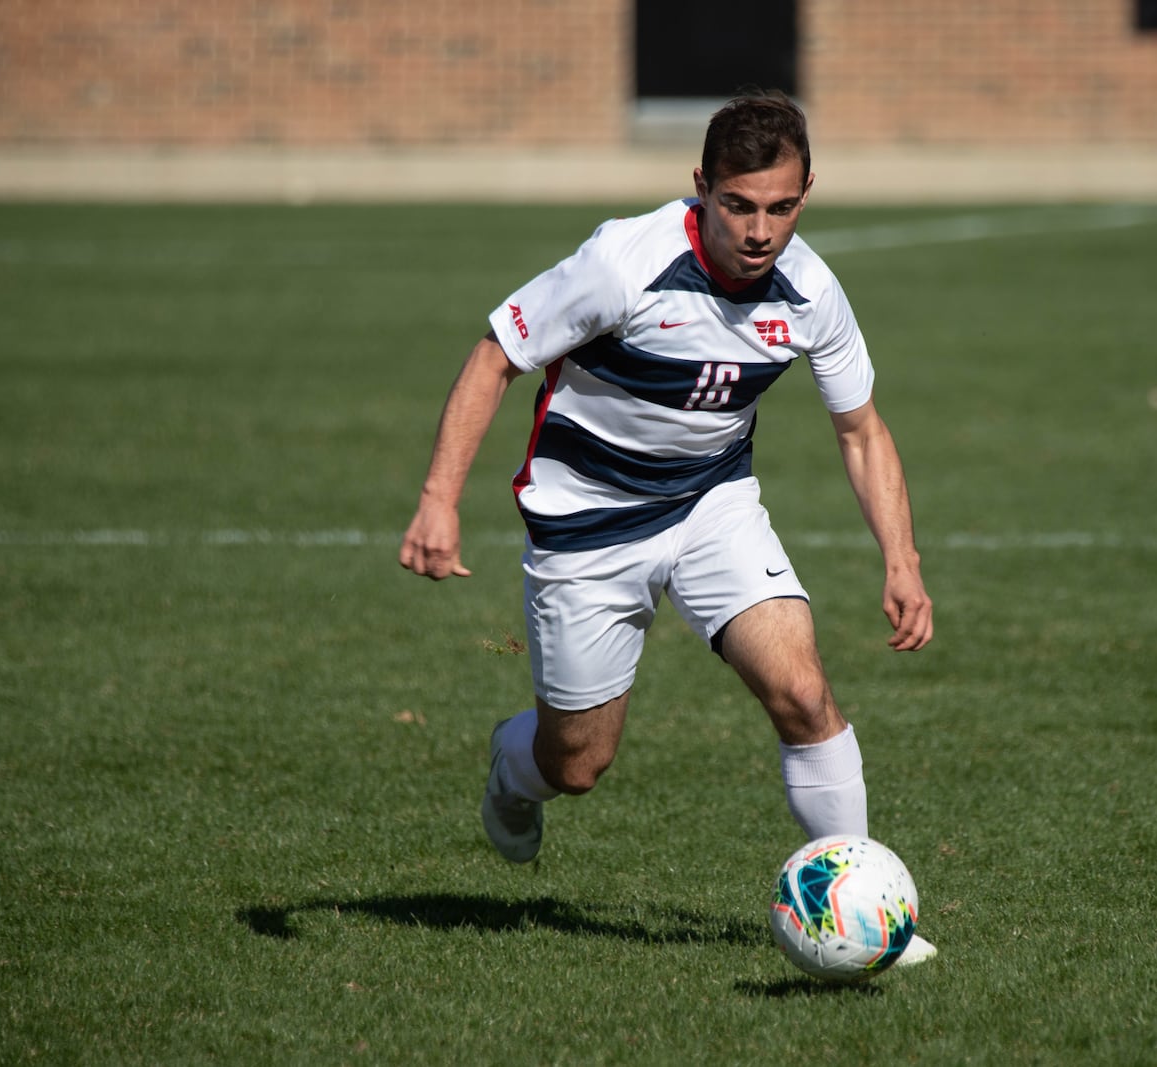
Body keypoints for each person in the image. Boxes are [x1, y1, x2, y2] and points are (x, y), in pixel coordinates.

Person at [399, 91, 936, 964]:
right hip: (588, 526)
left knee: (803, 694)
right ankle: (513, 764)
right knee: (578, 763)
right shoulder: (624, 264)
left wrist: (902, 561)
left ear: (806, 195)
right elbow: (498, 351)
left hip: (710, 506)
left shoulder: (811, 292)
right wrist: (437, 498)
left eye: (782, 207)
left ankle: (859, 902)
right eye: (739, 205)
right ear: (701, 188)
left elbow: (861, 430)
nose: (760, 231)